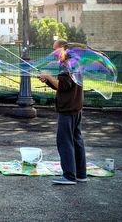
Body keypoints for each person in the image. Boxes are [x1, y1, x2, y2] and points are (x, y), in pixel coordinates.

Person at [39, 39, 86, 185]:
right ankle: (80, 174)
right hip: (76, 108)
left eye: (55, 49)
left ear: (63, 49)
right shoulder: (74, 62)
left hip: (67, 109)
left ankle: (69, 176)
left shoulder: (66, 64)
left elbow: (63, 85)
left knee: (64, 142)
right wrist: (47, 81)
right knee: (76, 140)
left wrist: (48, 76)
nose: (54, 53)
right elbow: (64, 86)